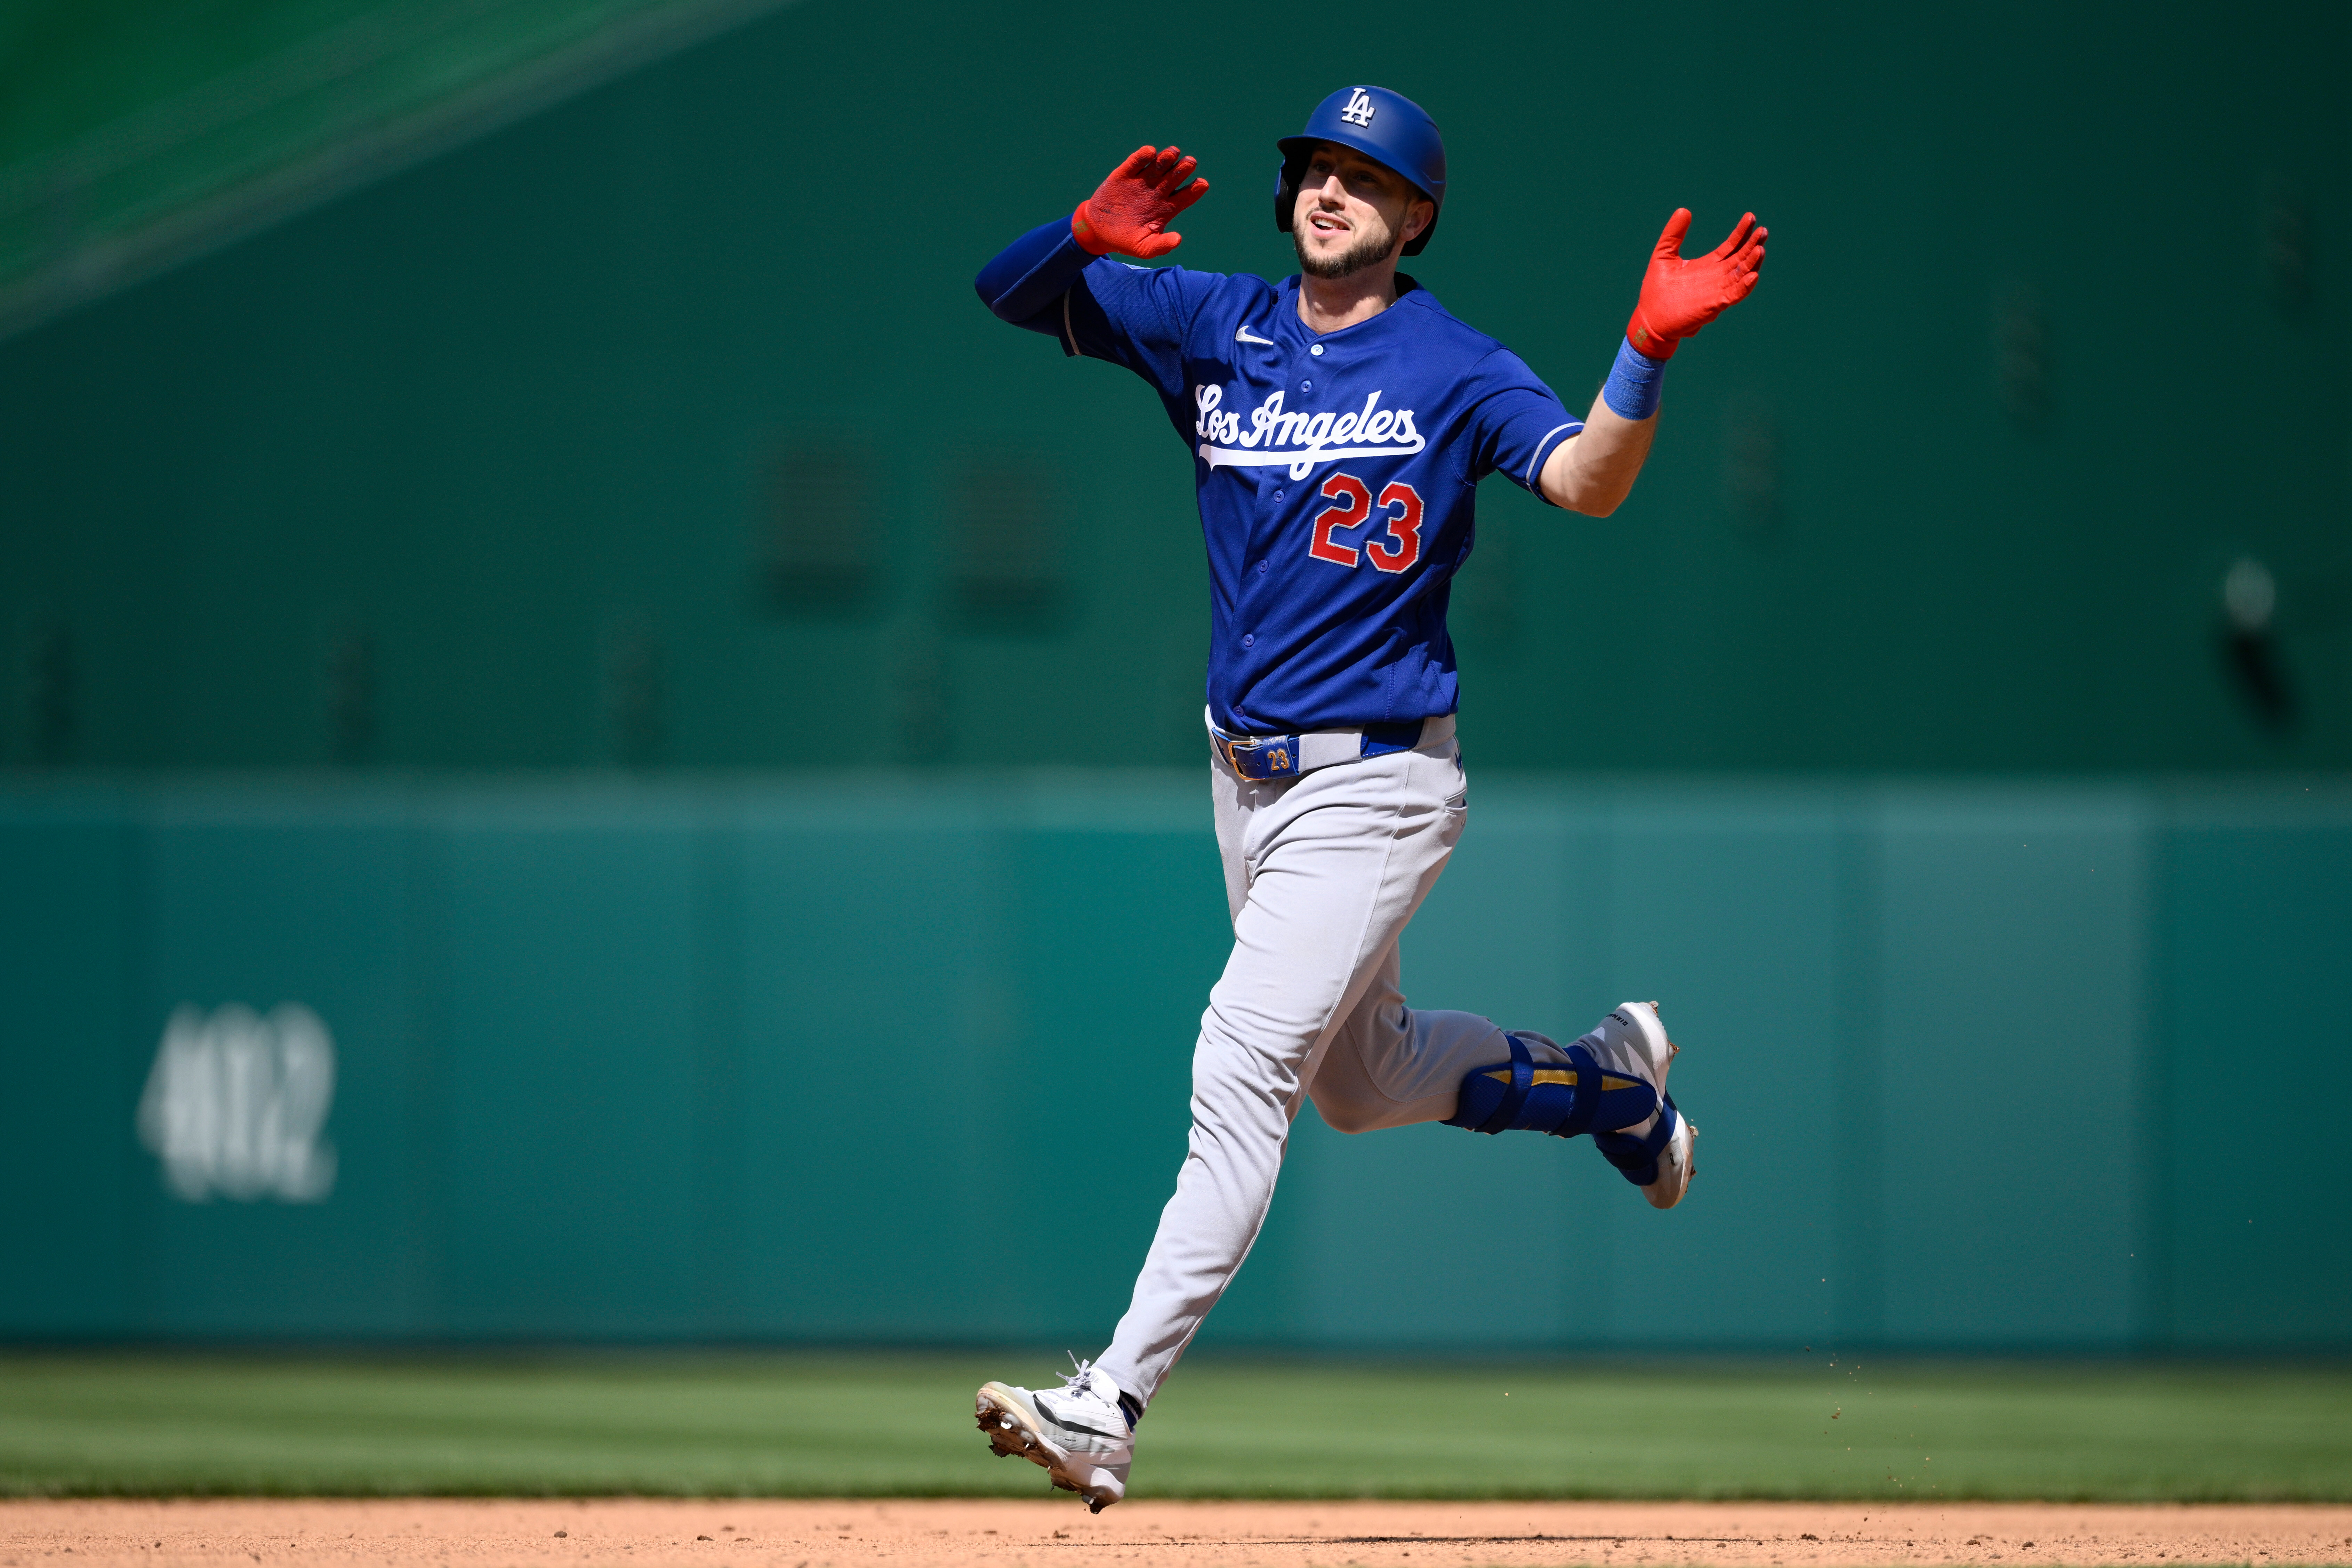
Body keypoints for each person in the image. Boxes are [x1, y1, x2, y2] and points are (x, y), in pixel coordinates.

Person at [967, 85, 1767, 1512]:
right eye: (1315, 171)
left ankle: (1108, 1403)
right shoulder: (1215, 322)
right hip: (1246, 779)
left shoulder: (1452, 364)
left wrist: (1638, 354)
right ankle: (1614, 1090)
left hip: (1378, 779)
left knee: (1240, 1063)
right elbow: (1004, 296)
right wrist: (1080, 238)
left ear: (1416, 216)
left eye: (1364, 177)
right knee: (1360, 1080)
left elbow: (1584, 483)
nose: (1331, 192)